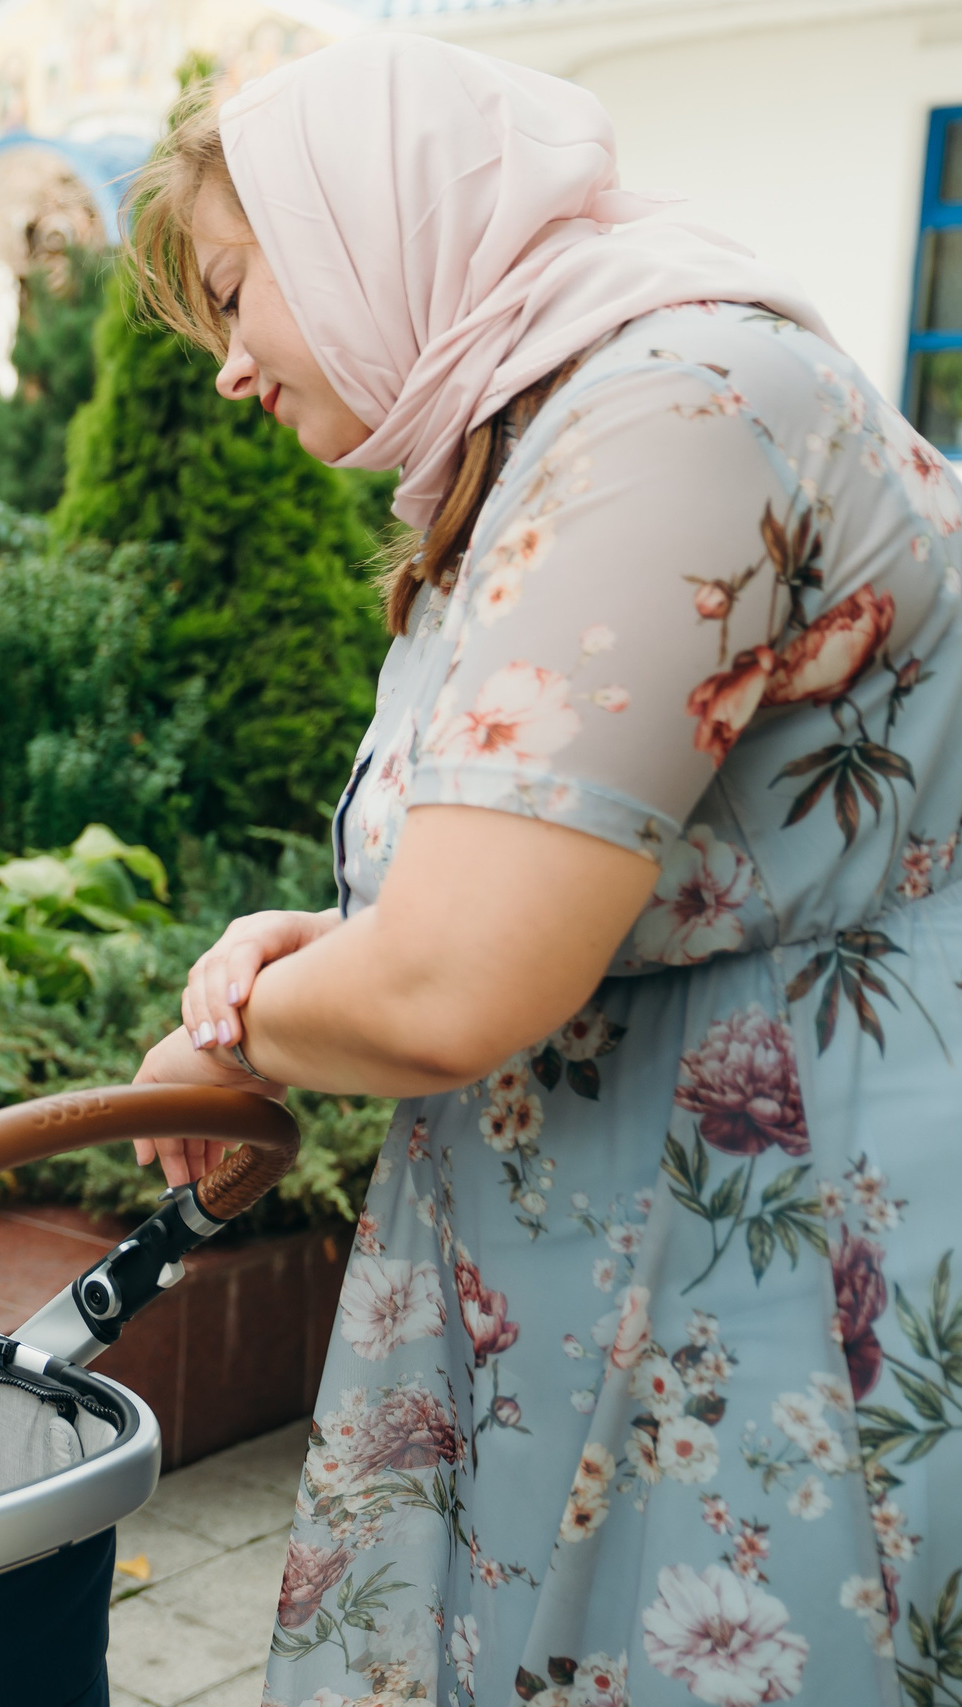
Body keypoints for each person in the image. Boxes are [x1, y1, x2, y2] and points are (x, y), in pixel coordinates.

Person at [119, 35, 962, 1706]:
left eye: (233, 291)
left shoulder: (677, 410)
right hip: (617, 1242)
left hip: (769, 1268)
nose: (227, 367)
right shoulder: (546, 439)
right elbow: (581, 876)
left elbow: (454, 980)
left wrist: (229, 1035)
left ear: (377, 217)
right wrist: (324, 944)